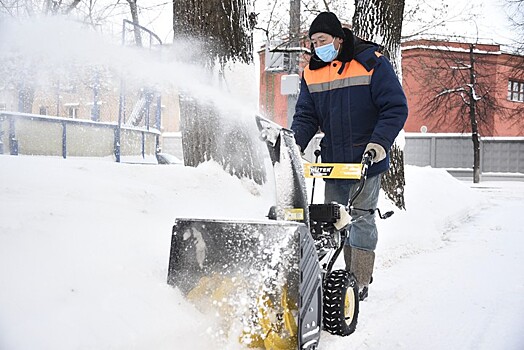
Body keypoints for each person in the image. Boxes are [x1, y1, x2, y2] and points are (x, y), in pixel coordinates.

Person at [291, 12, 408, 300]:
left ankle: (359, 280)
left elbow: (395, 107)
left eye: (323, 40)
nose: (318, 46)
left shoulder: (371, 61)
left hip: (367, 156)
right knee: (333, 217)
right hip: (333, 160)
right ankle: (334, 275)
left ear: (339, 39)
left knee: (361, 217)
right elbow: (306, 116)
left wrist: (379, 143)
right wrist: (293, 144)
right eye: (314, 42)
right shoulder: (312, 72)